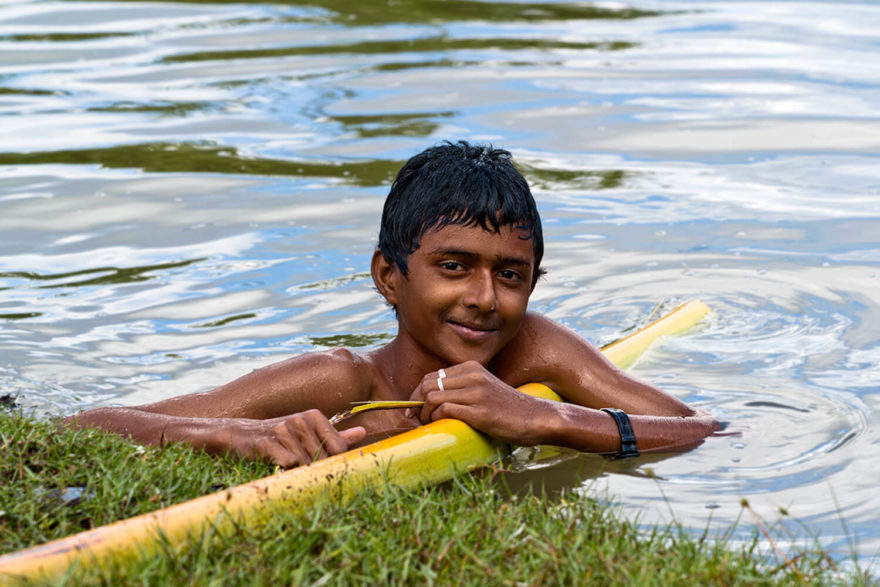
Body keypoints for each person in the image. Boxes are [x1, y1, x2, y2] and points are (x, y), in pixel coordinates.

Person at [67, 141, 718, 469]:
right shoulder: (342, 381)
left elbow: (698, 429)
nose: (485, 298)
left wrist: (544, 417)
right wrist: (226, 432)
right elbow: (87, 424)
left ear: (533, 283)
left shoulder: (533, 350)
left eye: (511, 275)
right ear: (389, 276)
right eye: (454, 266)